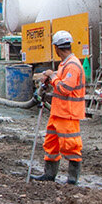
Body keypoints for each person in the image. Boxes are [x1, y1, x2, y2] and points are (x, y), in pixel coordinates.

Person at [34, 29, 86, 183]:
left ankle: (72, 180)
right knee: (51, 143)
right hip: (58, 112)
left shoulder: (72, 66)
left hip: (68, 114)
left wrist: (52, 76)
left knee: (71, 146)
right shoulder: (65, 65)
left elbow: (64, 88)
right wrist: (50, 77)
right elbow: (59, 80)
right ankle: (49, 175)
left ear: (56, 47)